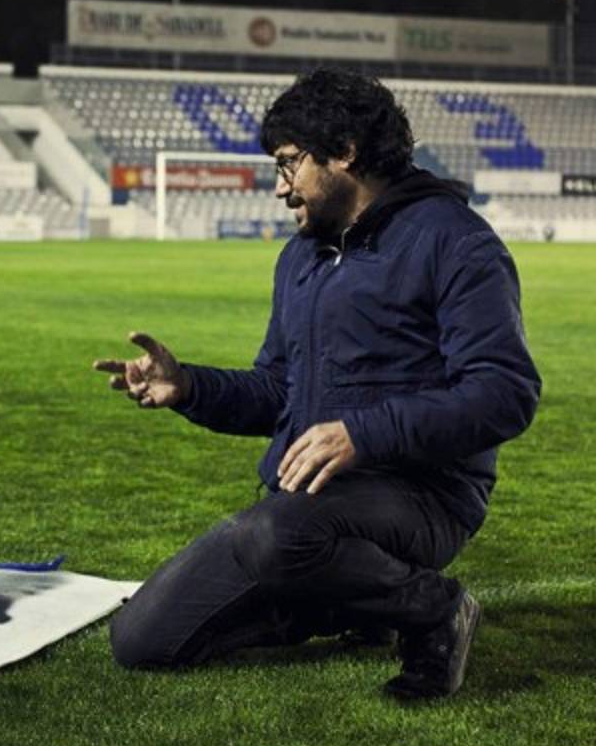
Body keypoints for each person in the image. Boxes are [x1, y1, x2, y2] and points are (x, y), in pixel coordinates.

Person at [94, 68, 540, 699]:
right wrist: (189, 387)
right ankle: (351, 602)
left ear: (345, 151)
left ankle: (434, 609)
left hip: (422, 496)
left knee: (277, 534)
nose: (280, 188)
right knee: (141, 640)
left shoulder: (455, 242)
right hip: (307, 503)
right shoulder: (301, 257)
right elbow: (278, 390)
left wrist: (363, 435)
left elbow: (504, 393)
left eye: (288, 163)